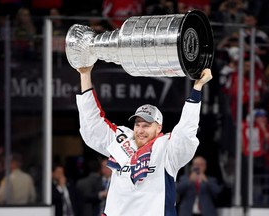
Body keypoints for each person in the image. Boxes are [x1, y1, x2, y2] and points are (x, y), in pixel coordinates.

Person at [75, 64, 212, 216]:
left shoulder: (166, 149)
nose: (140, 130)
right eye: (137, 124)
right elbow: (92, 125)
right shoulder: (122, 140)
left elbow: (186, 131)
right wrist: (85, 75)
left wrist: (197, 88)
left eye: (146, 125)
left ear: (158, 128)